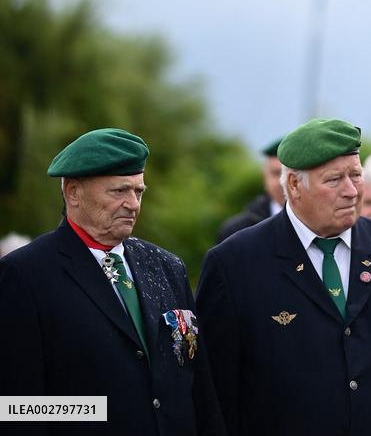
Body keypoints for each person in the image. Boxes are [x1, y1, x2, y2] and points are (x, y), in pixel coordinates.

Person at [197, 118, 371, 436]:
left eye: (356, 176)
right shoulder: (235, 263)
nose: (351, 191)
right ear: (294, 185)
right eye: (334, 180)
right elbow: (214, 393)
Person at [0, 127, 224, 436]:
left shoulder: (166, 266)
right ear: (73, 192)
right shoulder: (25, 275)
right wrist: (94, 410)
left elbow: (199, 387)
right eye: (119, 191)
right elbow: (17, 406)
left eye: (138, 192)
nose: (133, 204)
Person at [217, 137, 284, 242]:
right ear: (264, 178)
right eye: (276, 173)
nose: (282, 181)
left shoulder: (317, 226)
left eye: (290, 174)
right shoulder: (235, 230)